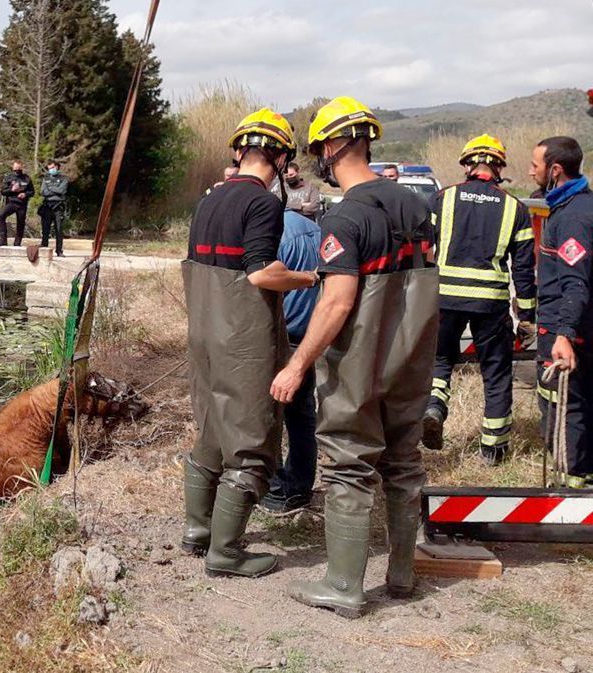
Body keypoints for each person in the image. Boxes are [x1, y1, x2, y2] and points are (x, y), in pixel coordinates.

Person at [270, 96, 438, 618]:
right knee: (404, 461)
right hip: (412, 357)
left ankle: (344, 585)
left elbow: (339, 300)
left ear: (335, 145)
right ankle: (403, 575)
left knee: (348, 462)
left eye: (320, 146)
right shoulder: (418, 206)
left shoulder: (345, 217)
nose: (319, 155)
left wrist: (297, 365)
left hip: (360, 362)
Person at [181, 108, 318, 579]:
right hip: (243, 340)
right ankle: (226, 553)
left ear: (239, 151)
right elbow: (261, 272)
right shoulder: (263, 204)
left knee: (212, 432)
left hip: (202, 332)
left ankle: (197, 532)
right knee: (253, 445)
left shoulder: (209, 201)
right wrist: (307, 278)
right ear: (280, 157)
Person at [421, 135, 536, 464]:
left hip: (444, 297)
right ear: (498, 166)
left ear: (467, 165)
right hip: (490, 304)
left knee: (440, 360)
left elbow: (424, 252)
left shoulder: (441, 199)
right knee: (496, 373)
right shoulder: (516, 207)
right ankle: (493, 450)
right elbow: (524, 270)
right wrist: (526, 314)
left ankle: (433, 408)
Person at [530, 136, 593, 487]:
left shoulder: (572, 219)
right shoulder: (574, 207)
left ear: (555, 170)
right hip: (572, 324)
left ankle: (572, 479)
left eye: (535, 165)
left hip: (566, 329)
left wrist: (564, 334)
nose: (530, 171)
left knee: (565, 403)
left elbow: (575, 282)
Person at [261, 209, 322, 513]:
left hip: (279, 334)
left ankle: (272, 485)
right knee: (301, 414)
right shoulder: (315, 230)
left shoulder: (269, 232)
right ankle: (299, 485)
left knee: (268, 413)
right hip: (308, 335)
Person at [0, 160, 34, 247]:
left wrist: (25, 194)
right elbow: (3, 191)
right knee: (1, 215)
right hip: (12, 202)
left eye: (19, 168)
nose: (17, 169)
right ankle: (3, 239)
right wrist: (11, 190)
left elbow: (32, 192)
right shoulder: (8, 177)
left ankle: (17, 243)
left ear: (21, 168)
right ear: (13, 168)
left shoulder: (27, 178)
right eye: (15, 168)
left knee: (20, 223)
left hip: (22, 204)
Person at [39, 160, 69, 256]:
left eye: (52, 168)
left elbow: (62, 190)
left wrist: (50, 189)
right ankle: (44, 247)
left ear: (57, 167)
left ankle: (59, 251)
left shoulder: (64, 178)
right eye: (49, 168)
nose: (51, 170)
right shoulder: (46, 178)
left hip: (58, 207)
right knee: (45, 228)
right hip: (47, 206)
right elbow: (43, 192)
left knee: (59, 229)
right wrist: (55, 190)